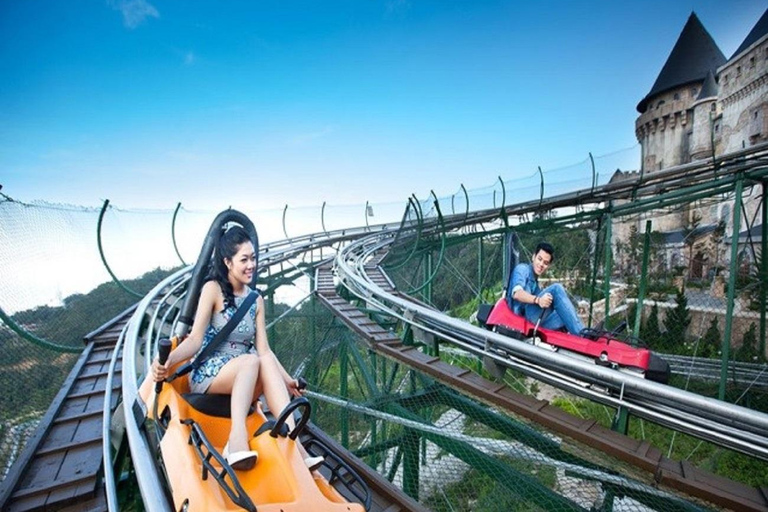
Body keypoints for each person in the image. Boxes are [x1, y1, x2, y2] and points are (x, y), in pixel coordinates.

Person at [151, 226, 322, 471]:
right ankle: (236, 440)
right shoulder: (212, 289)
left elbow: (265, 351)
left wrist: (288, 380)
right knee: (251, 361)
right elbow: (195, 340)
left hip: (244, 374)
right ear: (228, 262)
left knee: (259, 360)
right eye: (244, 259)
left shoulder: (256, 300)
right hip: (210, 375)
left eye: (253, 258)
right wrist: (167, 361)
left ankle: (297, 446)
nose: (251, 265)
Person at [507, 241, 585, 335]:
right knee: (556, 289)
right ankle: (583, 336)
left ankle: (578, 340)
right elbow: (517, 294)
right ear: (533, 257)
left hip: (533, 321)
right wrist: (538, 300)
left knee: (566, 314)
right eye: (539, 259)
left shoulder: (535, 284)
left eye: (545, 263)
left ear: (548, 266)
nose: (541, 264)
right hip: (520, 320)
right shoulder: (523, 269)